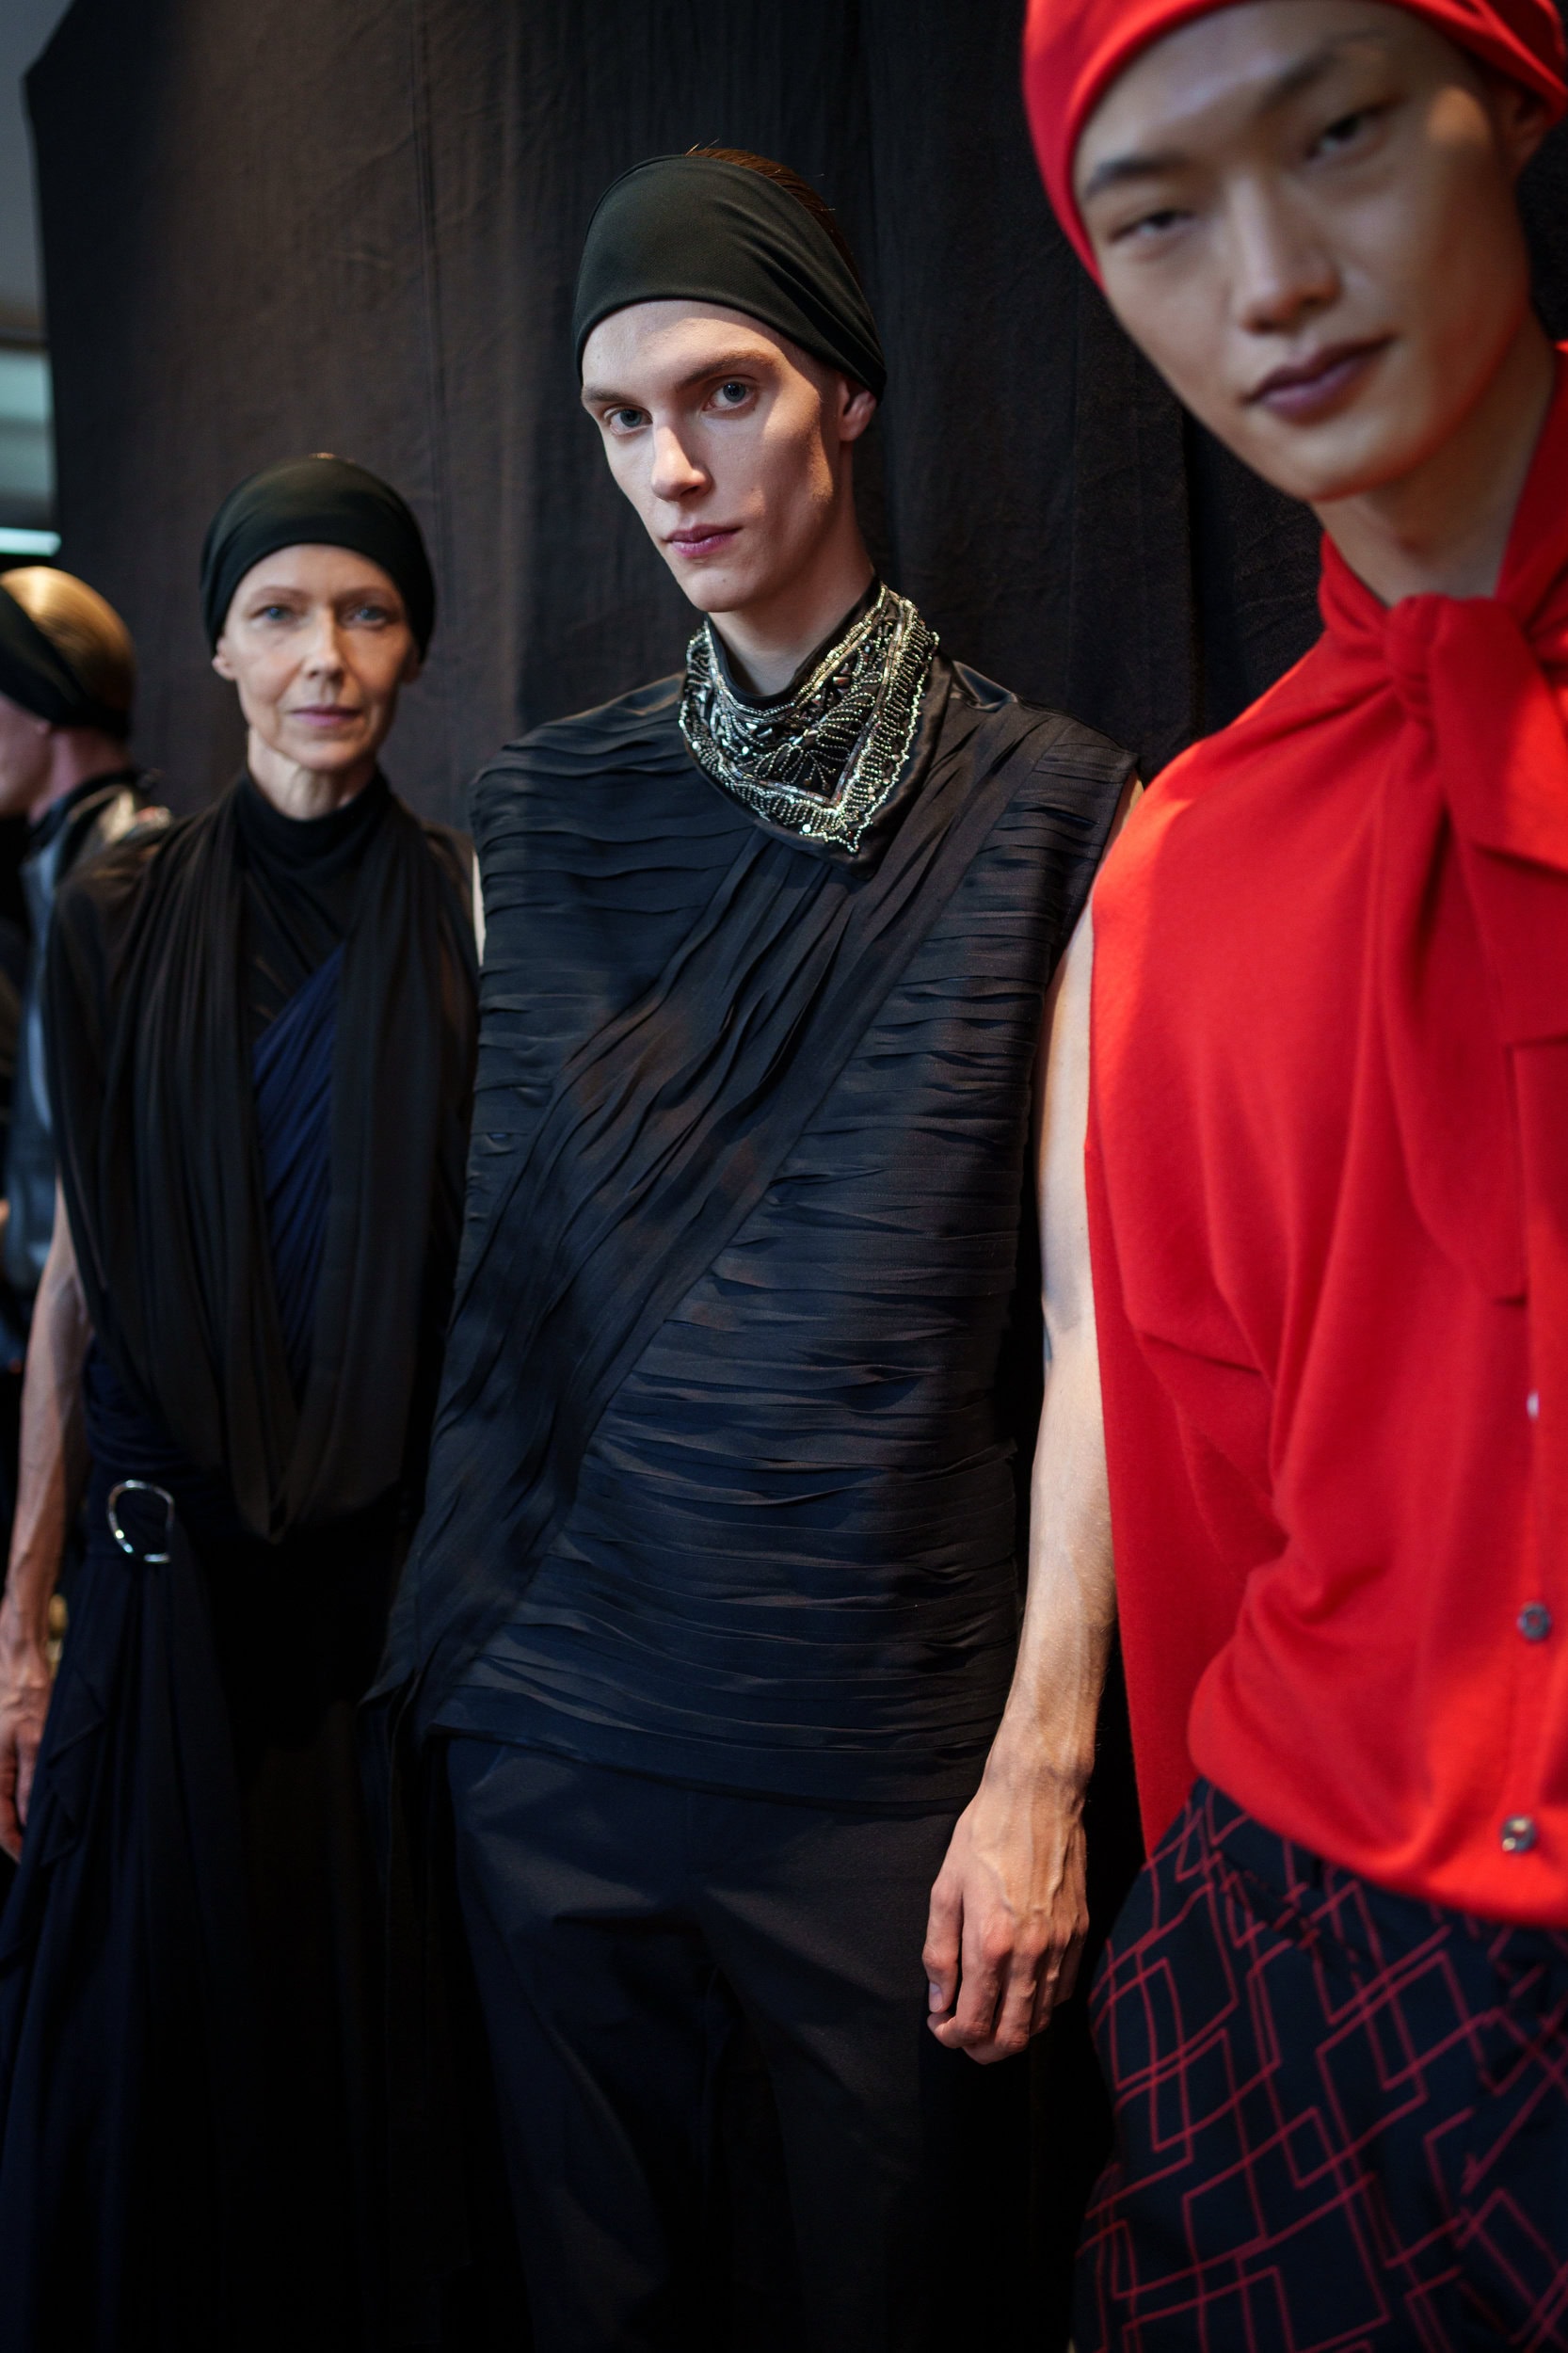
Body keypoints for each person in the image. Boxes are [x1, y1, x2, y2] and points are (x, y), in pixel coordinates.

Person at [375, 147, 1134, 2353]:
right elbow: (509, 1294)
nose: (669, 470)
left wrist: (1041, 1764)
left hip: (877, 1761)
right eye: (619, 420)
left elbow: (1095, 1317)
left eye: (722, 393)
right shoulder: (544, 808)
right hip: (552, 1722)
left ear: (846, 398)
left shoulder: (1052, 806)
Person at [1017, 0, 1568, 2342]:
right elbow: (1197, 1469)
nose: (1267, 282)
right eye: (1155, 217)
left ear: (1507, 100)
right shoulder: (1182, 862)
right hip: (1306, 1966)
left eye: (1336, 132)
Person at [0, 457, 478, 2353]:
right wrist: (20, 1613)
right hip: (156, 1596)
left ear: (414, 645)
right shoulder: (113, 915)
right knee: (145, 2081)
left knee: (360, 2082)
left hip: (378, 1620)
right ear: (217, 647)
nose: (324, 657)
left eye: (366, 613)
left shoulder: (469, 913)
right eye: (279, 614)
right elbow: (77, 1273)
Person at [0, 573, 163, 1527]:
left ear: (42, 702)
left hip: (112, 1365)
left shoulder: (131, 874)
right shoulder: (58, 866)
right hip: (44, 1330)